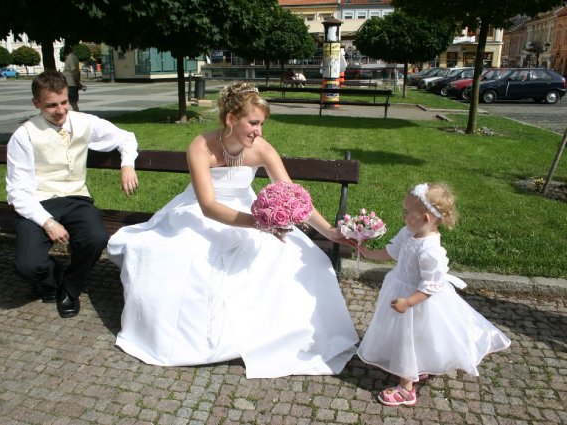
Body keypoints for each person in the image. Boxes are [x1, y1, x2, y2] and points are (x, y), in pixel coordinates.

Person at [107, 81, 359, 379]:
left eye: (262, 124)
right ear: (230, 119)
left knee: (298, 257)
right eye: (253, 123)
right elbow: (208, 206)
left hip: (247, 209)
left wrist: (329, 231)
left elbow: (292, 196)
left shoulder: (262, 149)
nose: (259, 131)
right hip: (202, 212)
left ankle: (275, 332)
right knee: (184, 258)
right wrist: (260, 223)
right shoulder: (200, 147)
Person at [356, 183, 511, 406]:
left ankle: (406, 389)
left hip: (417, 300)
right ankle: (417, 367)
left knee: (408, 338)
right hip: (400, 288)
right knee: (411, 337)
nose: (403, 215)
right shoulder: (409, 232)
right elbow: (393, 251)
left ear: (426, 218)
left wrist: (408, 302)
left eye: (407, 212)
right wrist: (368, 253)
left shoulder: (430, 250)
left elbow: (430, 286)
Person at [6, 70, 139, 318]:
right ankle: (53, 279)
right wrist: (48, 223)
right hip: (38, 201)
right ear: (36, 103)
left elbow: (127, 138)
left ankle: (70, 289)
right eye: (51, 105)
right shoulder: (23, 135)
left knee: (95, 238)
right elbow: (18, 192)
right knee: (27, 266)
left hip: (76, 198)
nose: (60, 111)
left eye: (64, 102)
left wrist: (127, 165)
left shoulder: (84, 122)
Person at [62, 45, 81, 111]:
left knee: (72, 102)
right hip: (70, 83)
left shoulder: (71, 58)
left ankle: (77, 115)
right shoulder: (72, 57)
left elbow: (74, 71)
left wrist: (78, 83)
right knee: (71, 102)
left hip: (70, 83)